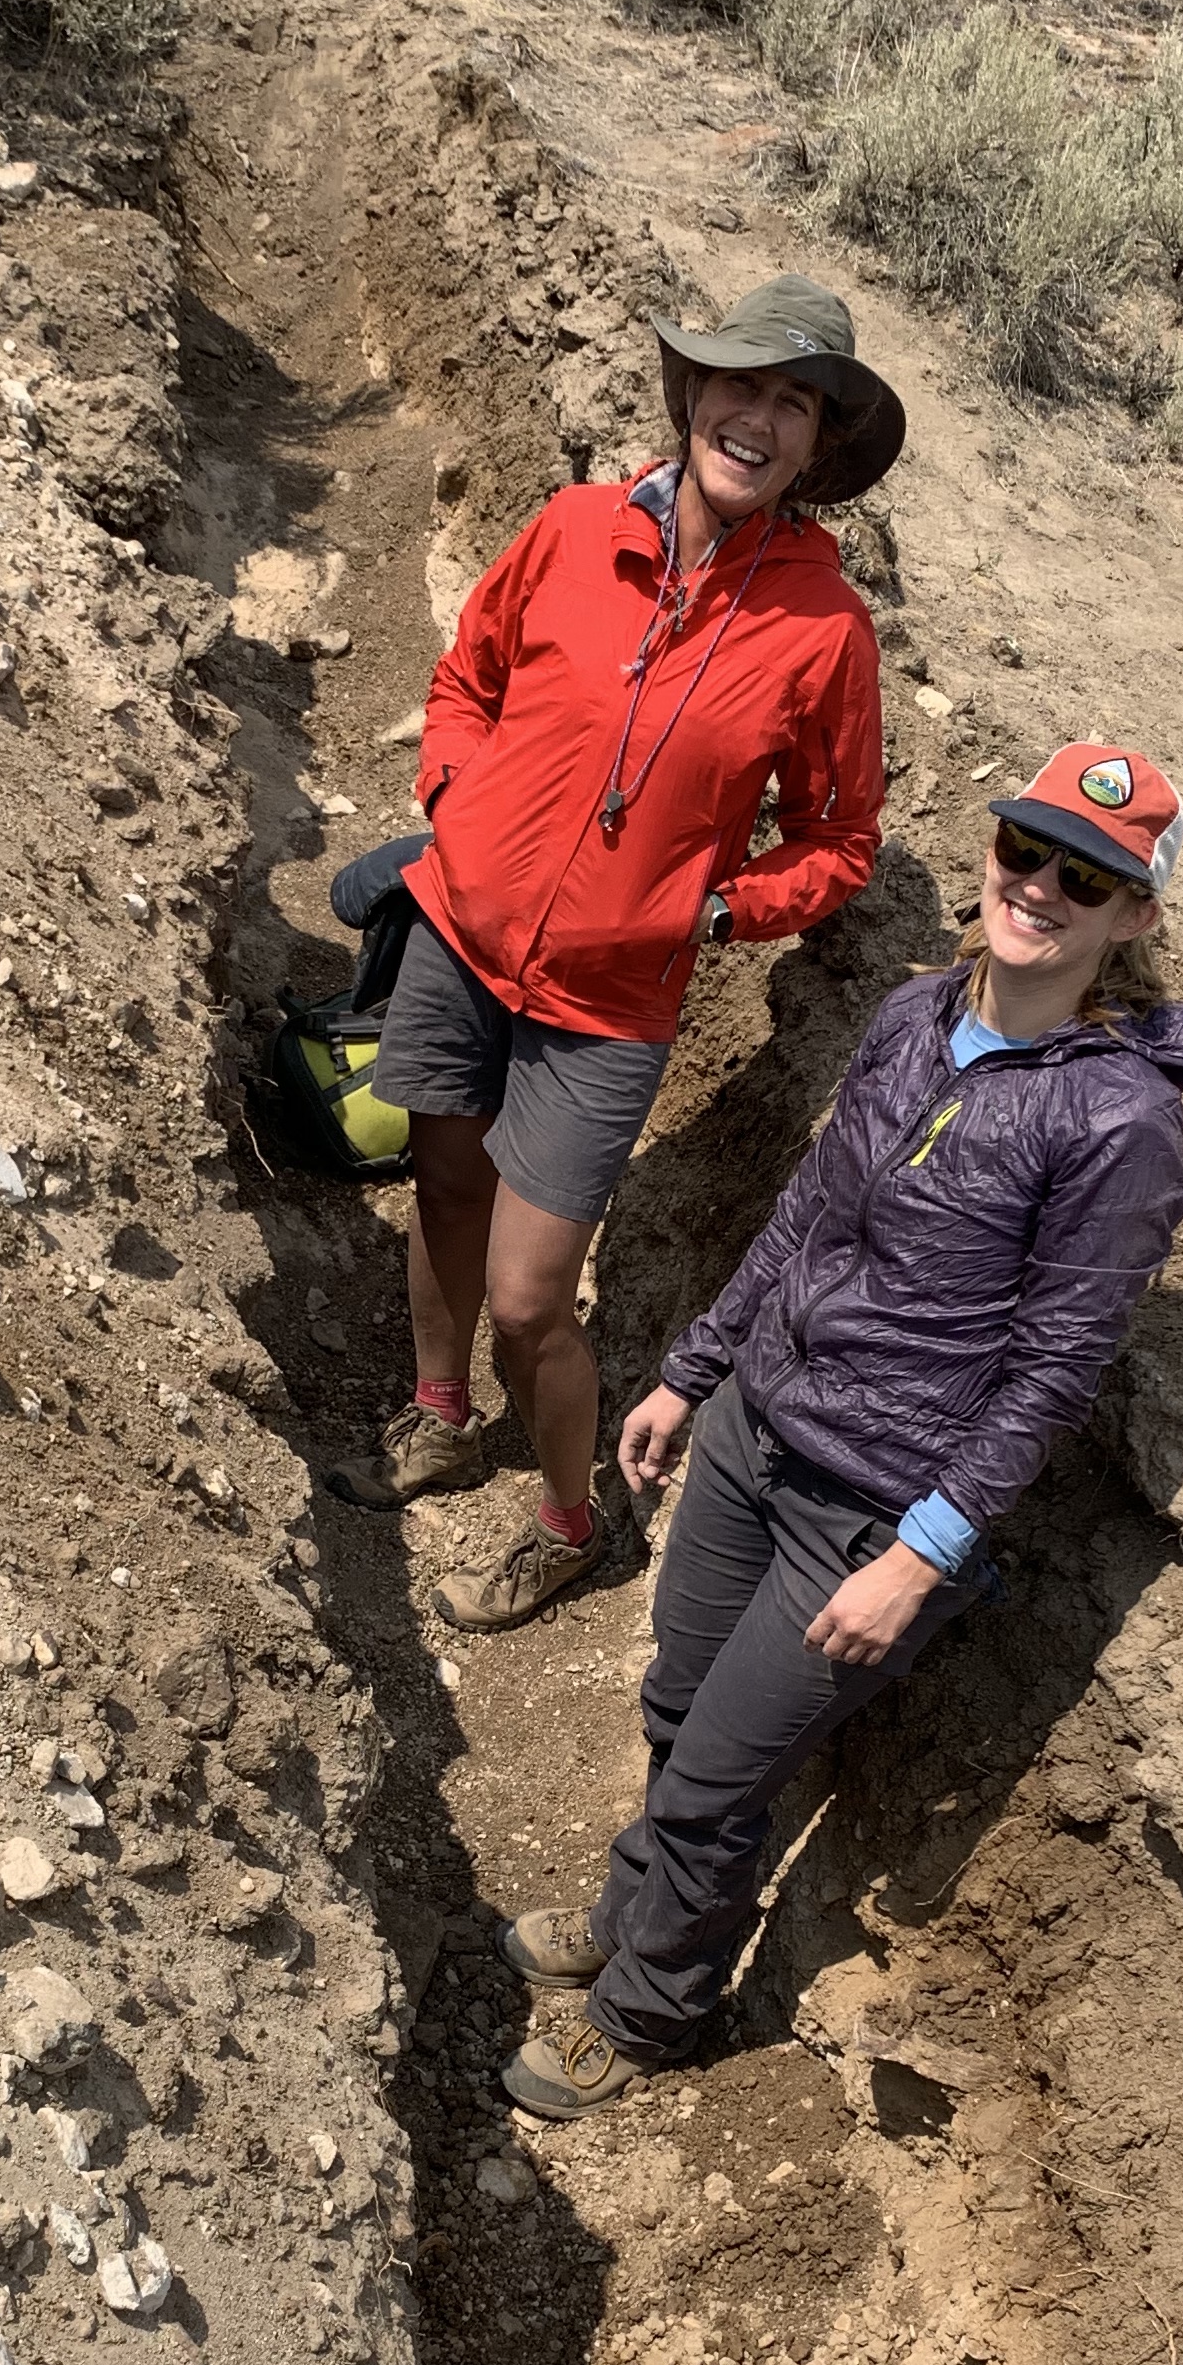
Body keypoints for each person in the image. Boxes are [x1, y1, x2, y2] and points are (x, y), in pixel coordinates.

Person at [494, 744, 1183, 2117]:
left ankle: (651, 2011)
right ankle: (633, 1908)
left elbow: (1056, 1370)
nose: (1042, 892)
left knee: (720, 1772)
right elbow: (806, 1218)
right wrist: (692, 1371)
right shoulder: (913, 1017)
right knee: (675, 1709)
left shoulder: (1119, 1122)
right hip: (757, 1433)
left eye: (1091, 880)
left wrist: (921, 1554)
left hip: (873, 1504)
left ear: (1134, 918)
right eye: (1029, 853)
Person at [327, 276, 906, 1635]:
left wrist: (710, 912)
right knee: (445, 1187)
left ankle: (573, 1526)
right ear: (689, 394)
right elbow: (469, 670)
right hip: (462, 941)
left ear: (818, 448)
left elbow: (841, 843)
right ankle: (437, 1414)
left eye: (793, 405)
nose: (755, 421)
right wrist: (456, 794)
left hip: (609, 1009)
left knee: (533, 1299)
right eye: (738, 386)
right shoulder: (579, 528)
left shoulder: (823, 634)